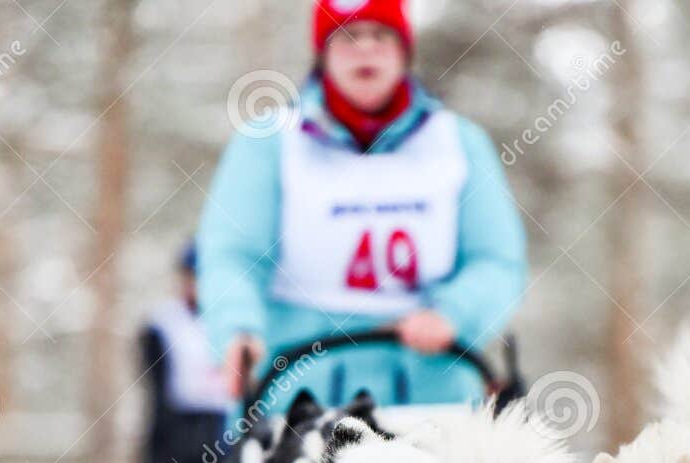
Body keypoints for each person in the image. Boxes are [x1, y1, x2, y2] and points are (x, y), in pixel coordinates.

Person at [196, 0, 527, 418]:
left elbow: (497, 260)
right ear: (324, 53)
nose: (365, 49)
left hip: (432, 390)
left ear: (404, 51)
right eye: (348, 36)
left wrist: (453, 314)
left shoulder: (459, 142)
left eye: (381, 36)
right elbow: (232, 255)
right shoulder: (269, 142)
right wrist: (237, 330)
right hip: (298, 390)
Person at [134, 242, 229, 463]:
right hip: (175, 429)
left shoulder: (235, 320)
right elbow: (155, 387)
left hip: (224, 425)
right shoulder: (163, 323)